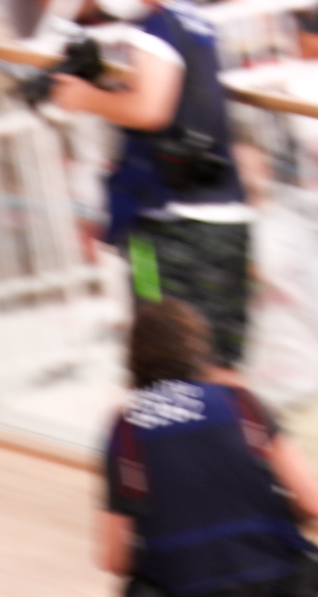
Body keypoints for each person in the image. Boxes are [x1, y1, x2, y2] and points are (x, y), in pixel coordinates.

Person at [99, 299, 318, 597]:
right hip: (277, 584)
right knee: (277, 575)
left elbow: (112, 558)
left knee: (144, 591)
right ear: (197, 350)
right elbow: (312, 501)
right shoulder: (241, 404)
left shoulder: (125, 430)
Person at [52, 0, 251, 379]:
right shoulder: (195, 24)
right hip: (223, 217)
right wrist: (104, 85)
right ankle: (239, 436)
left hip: (169, 227)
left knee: (163, 363)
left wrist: (85, 97)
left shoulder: (157, 29)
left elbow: (150, 110)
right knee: (221, 366)